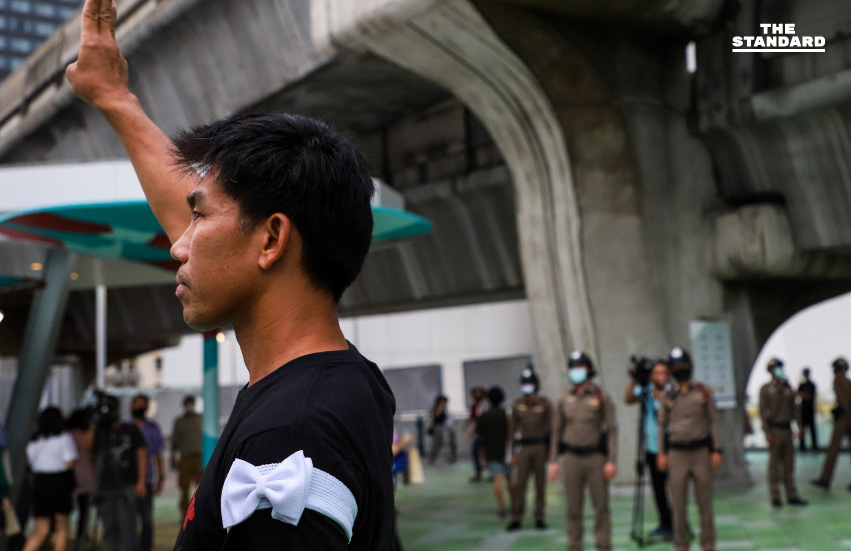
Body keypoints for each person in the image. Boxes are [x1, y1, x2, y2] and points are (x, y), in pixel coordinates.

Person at [66, 2, 396, 548]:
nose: (179, 243)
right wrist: (114, 97)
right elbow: (219, 226)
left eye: (198, 218)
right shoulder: (348, 382)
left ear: (271, 240)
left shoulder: (288, 438)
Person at [548, 351, 617, 551]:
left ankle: (603, 545)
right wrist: (553, 461)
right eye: (573, 368)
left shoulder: (601, 397)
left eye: (580, 367)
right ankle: (575, 546)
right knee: (573, 509)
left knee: (601, 507)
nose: (576, 371)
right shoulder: (563, 399)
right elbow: (556, 431)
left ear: (589, 370)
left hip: (596, 459)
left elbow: (612, 430)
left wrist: (611, 460)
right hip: (571, 459)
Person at [657, 347, 722, 551]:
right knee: (678, 505)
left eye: (684, 365)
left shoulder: (702, 391)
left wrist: (717, 449)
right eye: (676, 366)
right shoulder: (667, 394)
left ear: (691, 366)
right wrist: (661, 453)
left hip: (701, 452)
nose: (681, 369)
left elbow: (714, 421)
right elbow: (662, 425)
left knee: (705, 504)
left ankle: (708, 544)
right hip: (676, 454)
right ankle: (681, 545)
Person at [624, 358, 673, 540]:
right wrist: (635, 378)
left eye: (664, 373)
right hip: (652, 447)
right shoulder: (646, 391)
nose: (661, 376)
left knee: (675, 488)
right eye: (657, 373)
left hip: (672, 447)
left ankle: (678, 523)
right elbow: (628, 398)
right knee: (658, 489)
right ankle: (664, 523)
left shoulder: (673, 391)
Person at [93, 394, 147, 551]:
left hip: (127, 485)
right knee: (109, 527)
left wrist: (141, 481)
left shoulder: (130, 430)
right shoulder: (100, 432)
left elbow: (142, 455)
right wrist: (94, 424)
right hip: (105, 487)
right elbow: (87, 448)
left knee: (127, 527)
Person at [23, 407, 78, 551]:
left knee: (41, 530)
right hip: (60, 483)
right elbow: (69, 462)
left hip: (40, 483)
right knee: (62, 528)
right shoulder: (64, 438)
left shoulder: (34, 441)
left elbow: (31, 463)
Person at [758, 358, 807, 507]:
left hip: (787, 430)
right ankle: (775, 496)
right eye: (775, 368)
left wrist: (799, 427)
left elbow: (795, 409)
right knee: (774, 466)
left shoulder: (788, 389)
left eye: (779, 367)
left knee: (789, 464)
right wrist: (767, 431)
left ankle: (792, 495)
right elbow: (763, 412)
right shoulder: (766, 389)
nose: (778, 370)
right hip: (774, 429)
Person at [507, 365, 551, 531]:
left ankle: (539, 517)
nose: (527, 386)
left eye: (530, 382)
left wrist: (550, 451)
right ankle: (516, 518)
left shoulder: (545, 404)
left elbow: (551, 428)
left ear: (536, 384)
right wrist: (511, 453)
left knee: (540, 484)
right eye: (525, 383)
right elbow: (512, 430)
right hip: (523, 448)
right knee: (520, 485)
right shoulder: (517, 404)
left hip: (540, 447)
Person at [130, 394, 166, 551]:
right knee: (129, 519)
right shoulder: (125, 428)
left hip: (147, 479)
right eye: (137, 404)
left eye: (142, 405)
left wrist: (161, 477)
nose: (139, 408)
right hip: (128, 480)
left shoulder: (153, 428)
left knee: (146, 519)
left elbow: (158, 454)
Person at [811, 357, 851, 490]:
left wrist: (841, 412)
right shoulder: (848, 381)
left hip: (843, 418)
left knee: (833, 449)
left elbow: (844, 401)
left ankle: (825, 479)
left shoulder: (838, 380)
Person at [476, 387, 512, 518]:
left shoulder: (484, 416)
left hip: (491, 451)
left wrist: (482, 456)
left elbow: (480, 437)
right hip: (507, 450)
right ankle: (514, 504)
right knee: (510, 477)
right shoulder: (507, 415)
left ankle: (502, 507)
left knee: (497, 478)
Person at [66, 409, 96, 551]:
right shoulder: (88, 434)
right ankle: (81, 536)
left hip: (70, 476)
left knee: (66, 511)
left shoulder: (67, 434)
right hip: (87, 475)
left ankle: (67, 535)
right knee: (84, 510)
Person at [171, 394, 202, 518]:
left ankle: (200, 513)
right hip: (185, 458)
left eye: (191, 402)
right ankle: (184, 515)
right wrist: (173, 457)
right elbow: (175, 441)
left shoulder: (201, 419)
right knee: (184, 487)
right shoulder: (179, 422)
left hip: (200, 457)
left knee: (201, 487)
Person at [428, 395, 456, 464]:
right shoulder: (437, 408)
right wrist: (440, 408)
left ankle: (448, 456)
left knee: (445, 442)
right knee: (437, 442)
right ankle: (433, 456)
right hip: (438, 427)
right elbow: (435, 415)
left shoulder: (446, 409)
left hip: (445, 427)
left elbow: (449, 418)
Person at [467, 387, 488, 482]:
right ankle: (479, 472)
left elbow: (481, 419)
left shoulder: (485, 405)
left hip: (485, 433)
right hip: (478, 433)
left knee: (486, 453)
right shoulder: (474, 406)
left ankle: (492, 473)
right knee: (476, 452)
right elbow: (473, 419)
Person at [797, 367, 818, 451]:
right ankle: (802, 446)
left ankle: (814, 446)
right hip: (804, 409)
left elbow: (809, 396)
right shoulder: (802, 385)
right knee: (802, 428)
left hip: (809, 409)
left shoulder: (811, 385)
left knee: (812, 429)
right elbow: (799, 395)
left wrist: (804, 395)